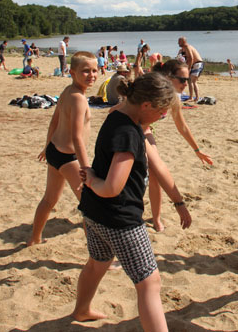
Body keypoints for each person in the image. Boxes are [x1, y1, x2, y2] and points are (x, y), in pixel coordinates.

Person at [72, 73, 192, 329]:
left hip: (94, 214)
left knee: (97, 263)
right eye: (161, 112)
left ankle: (82, 310)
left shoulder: (119, 115)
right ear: (146, 105)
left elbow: (157, 165)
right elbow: (112, 187)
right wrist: (91, 179)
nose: (162, 117)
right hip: (120, 219)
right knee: (149, 282)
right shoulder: (128, 133)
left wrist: (178, 202)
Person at [28, 52, 98, 246]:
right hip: (68, 158)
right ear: (72, 72)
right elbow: (76, 136)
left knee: (49, 199)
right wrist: (86, 168)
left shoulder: (67, 91)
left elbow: (54, 122)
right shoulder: (78, 98)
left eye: (94, 70)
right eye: (85, 71)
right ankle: (98, 258)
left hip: (55, 151)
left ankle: (34, 238)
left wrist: (46, 146)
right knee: (90, 208)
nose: (91, 75)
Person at [144, 60, 214, 231]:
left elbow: (181, 126)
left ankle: (156, 219)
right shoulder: (151, 91)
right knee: (155, 170)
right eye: (182, 80)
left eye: (188, 80)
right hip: (133, 127)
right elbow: (118, 110)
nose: (186, 84)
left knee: (154, 175)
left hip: (146, 128)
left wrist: (197, 151)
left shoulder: (174, 97)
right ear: (168, 77)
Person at [177, 37, 204, 102]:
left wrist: (188, 68)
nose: (178, 43)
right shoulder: (182, 50)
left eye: (179, 42)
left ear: (184, 42)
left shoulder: (188, 47)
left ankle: (195, 97)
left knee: (192, 81)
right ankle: (192, 97)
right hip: (192, 65)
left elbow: (191, 58)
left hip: (197, 64)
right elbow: (179, 58)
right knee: (190, 81)